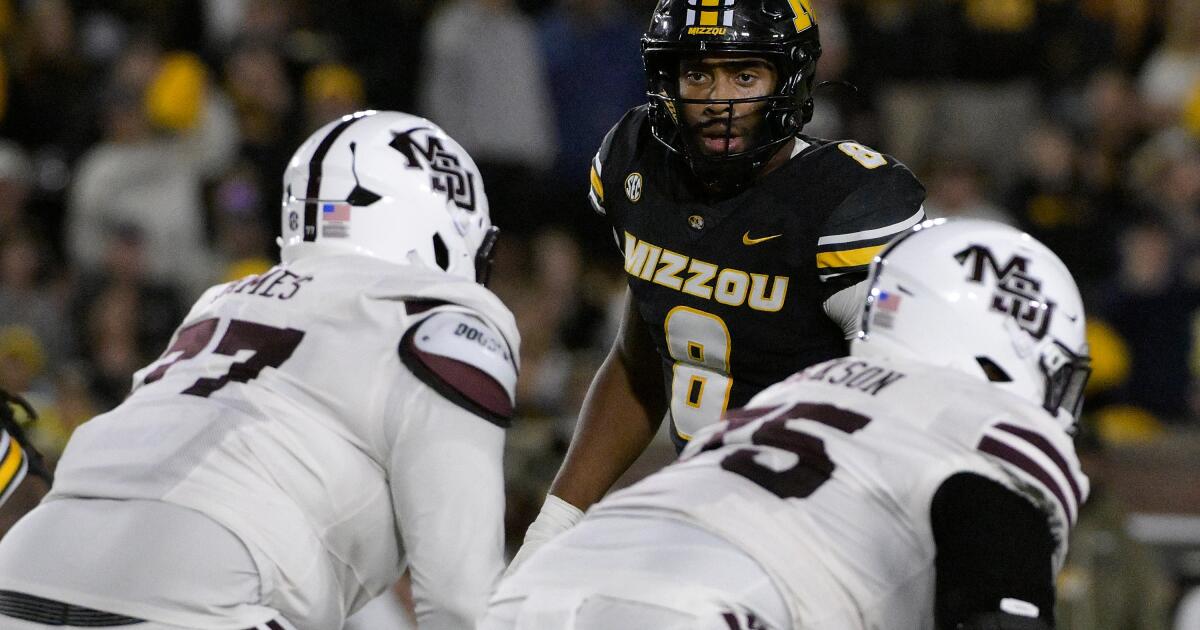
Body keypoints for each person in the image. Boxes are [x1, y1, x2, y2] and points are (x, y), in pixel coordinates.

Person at [0, 110, 520, 630]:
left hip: (25, 568)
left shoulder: (222, 300)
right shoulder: (441, 318)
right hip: (200, 592)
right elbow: (460, 603)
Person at [486, 219, 1092, 630]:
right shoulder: (984, 419)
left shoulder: (797, 391)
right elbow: (998, 588)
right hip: (714, 605)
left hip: (538, 592)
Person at [514, 0, 927, 562]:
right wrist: (556, 522)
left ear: (791, 78)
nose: (717, 98)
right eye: (698, 74)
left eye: (745, 75)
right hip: (701, 518)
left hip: (823, 529)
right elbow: (641, 360)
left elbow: (897, 411)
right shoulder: (639, 161)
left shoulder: (846, 201)